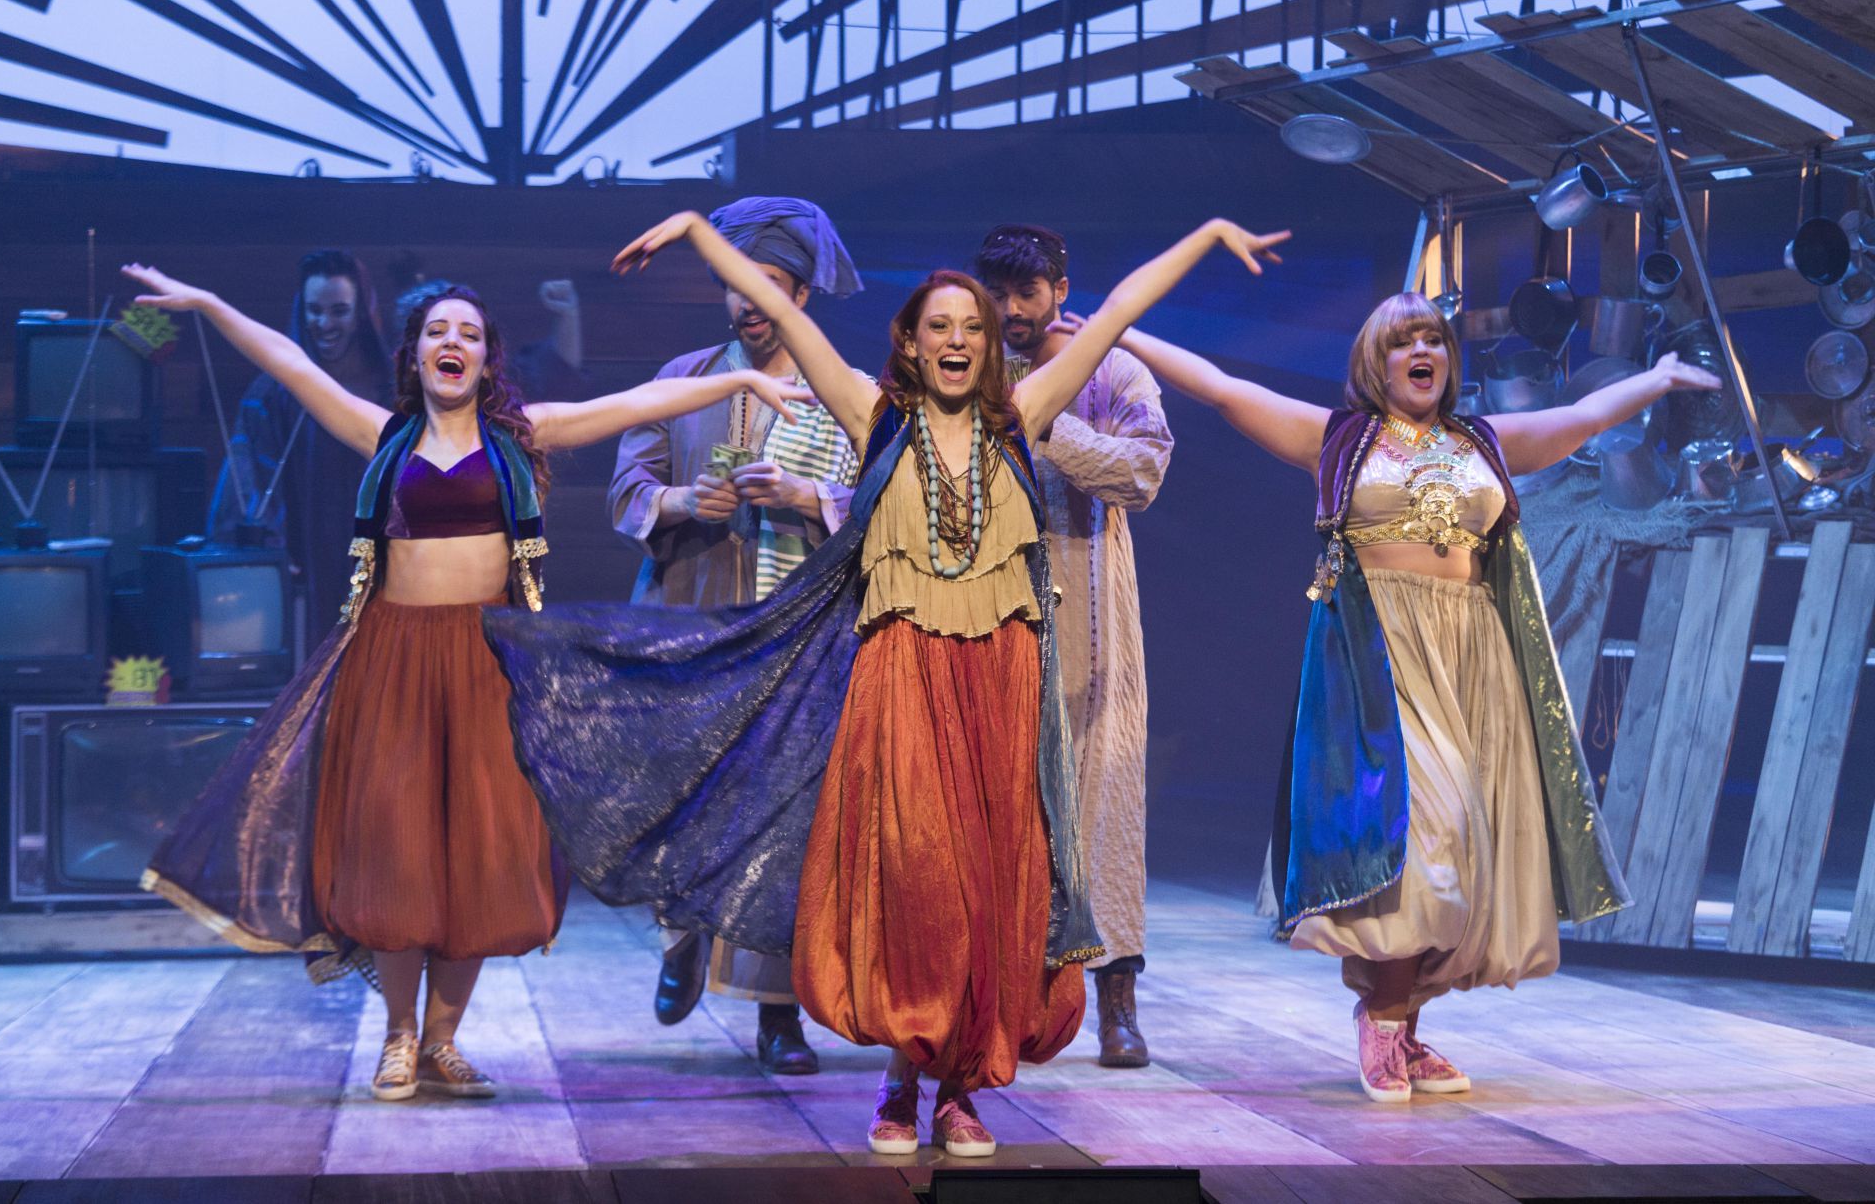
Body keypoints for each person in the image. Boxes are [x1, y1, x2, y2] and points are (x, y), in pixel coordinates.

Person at [482, 212, 1287, 1155]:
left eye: (972, 326)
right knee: (915, 882)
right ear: (911, 342)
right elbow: (787, 312)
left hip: (999, 682)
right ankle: (903, 1078)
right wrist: (699, 231)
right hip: (902, 676)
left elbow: (1118, 312)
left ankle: (959, 1088)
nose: (959, 339)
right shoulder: (876, 419)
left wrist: (1208, 236)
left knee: (988, 887)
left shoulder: (1021, 417)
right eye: (940, 325)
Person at [129, 264, 808, 1104]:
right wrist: (207, 300)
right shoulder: (383, 434)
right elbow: (289, 362)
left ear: (488, 358)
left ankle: (444, 1041)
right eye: (438, 332)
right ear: (414, 353)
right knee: (398, 847)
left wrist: (740, 380)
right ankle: (399, 1035)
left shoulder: (520, 437)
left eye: (470, 334)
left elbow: (634, 402)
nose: (453, 343)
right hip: (392, 660)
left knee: (478, 849)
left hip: (488, 663)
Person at [1111, 293, 1720, 1102]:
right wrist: (1122, 331)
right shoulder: (1340, 439)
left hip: (1474, 659)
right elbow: (1224, 389)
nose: (1422, 351)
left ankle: (1403, 1020)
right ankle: (1384, 1016)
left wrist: (1658, 377)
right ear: (1377, 362)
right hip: (1380, 660)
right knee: (1425, 838)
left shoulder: (1481, 442)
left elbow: (1580, 417)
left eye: (1433, 338)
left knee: (1466, 849)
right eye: (1404, 342)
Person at [609, 197, 865, 1074]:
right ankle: (682, 935)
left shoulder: (840, 388)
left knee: (787, 819)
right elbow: (628, 487)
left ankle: (778, 1014)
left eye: (771, 285)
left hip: (798, 630)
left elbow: (884, 496)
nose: (750, 302)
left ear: (802, 294)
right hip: (694, 613)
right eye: (736, 284)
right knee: (689, 797)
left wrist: (809, 498)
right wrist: (685, 500)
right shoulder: (684, 375)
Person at [975, 224, 1172, 1069]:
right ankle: (999, 1001)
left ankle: (1116, 1002)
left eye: (1027, 292)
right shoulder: (965, 369)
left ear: (1060, 288)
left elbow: (1143, 472)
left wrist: (1047, 424)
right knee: (999, 809)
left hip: (1093, 614)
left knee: (1105, 807)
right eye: (998, 294)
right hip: (990, 612)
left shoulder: (1115, 371)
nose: (1012, 310)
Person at [208, 249, 391, 655]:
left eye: (339, 311)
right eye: (315, 311)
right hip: (309, 566)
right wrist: (268, 547)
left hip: (385, 567)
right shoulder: (274, 393)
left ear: (361, 313)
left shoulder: (392, 389)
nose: (325, 324)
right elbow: (246, 479)